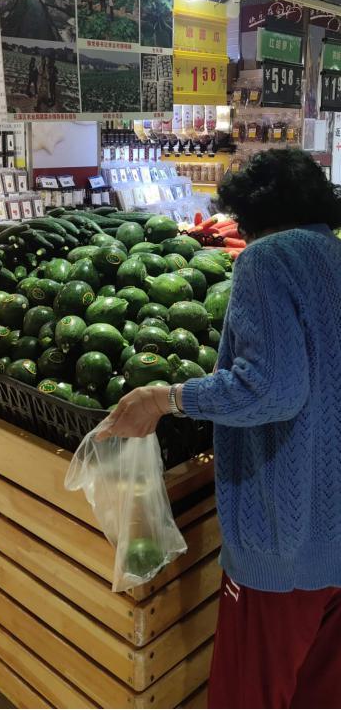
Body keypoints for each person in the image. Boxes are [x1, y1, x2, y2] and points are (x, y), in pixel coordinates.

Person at [98, 148, 341, 710]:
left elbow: (269, 388)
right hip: (333, 532)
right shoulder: (334, 256)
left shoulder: (267, 259)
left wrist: (165, 398)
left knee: (248, 695)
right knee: (319, 691)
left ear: (251, 214)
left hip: (285, 542)